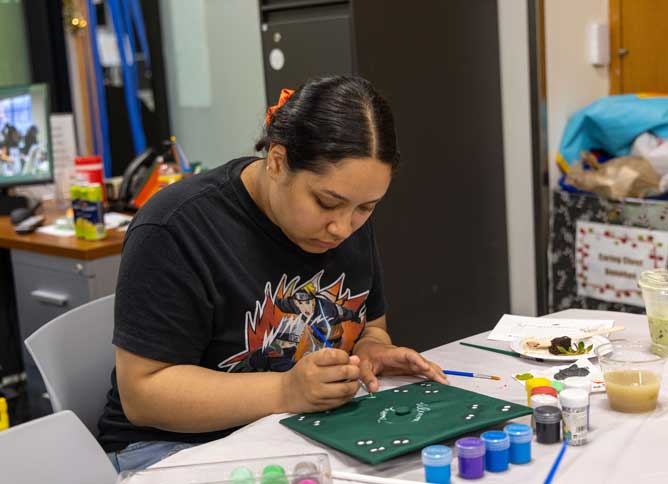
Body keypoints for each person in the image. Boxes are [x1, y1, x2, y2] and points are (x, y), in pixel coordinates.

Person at [98, 75, 448, 472]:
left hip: (298, 430)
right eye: (326, 202)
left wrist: (372, 350)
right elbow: (143, 394)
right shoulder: (175, 227)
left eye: (366, 208)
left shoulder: (345, 218)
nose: (343, 228)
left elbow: (369, 324)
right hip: (171, 450)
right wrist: (285, 390)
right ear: (278, 161)